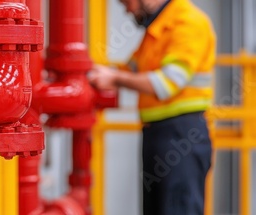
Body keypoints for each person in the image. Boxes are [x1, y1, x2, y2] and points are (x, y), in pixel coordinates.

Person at [89, 0, 215, 214]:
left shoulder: (187, 23)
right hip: (160, 135)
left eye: (127, 2)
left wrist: (115, 78)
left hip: (181, 136)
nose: (127, 9)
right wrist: (92, 72)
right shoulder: (158, 28)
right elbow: (131, 70)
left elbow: (165, 84)